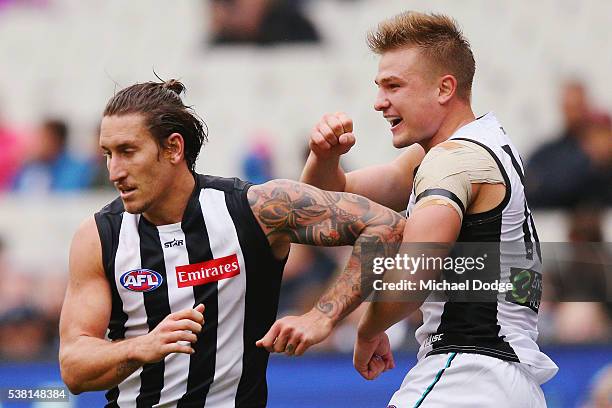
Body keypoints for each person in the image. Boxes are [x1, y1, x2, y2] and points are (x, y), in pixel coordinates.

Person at [259, 11, 558, 407]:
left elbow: (413, 276)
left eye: (394, 86)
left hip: (465, 376)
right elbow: (327, 205)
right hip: (507, 381)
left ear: (444, 88)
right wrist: (324, 157)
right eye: (380, 86)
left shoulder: (451, 161)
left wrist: (339, 322)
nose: (380, 102)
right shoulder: (478, 145)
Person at [58, 79, 405, 407]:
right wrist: (142, 347)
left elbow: (386, 225)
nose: (114, 171)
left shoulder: (255, 209)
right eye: (108, 154)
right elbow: (74, 367)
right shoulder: (99, 236)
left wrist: (323, 316)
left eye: (128, 151)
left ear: (174, 148)